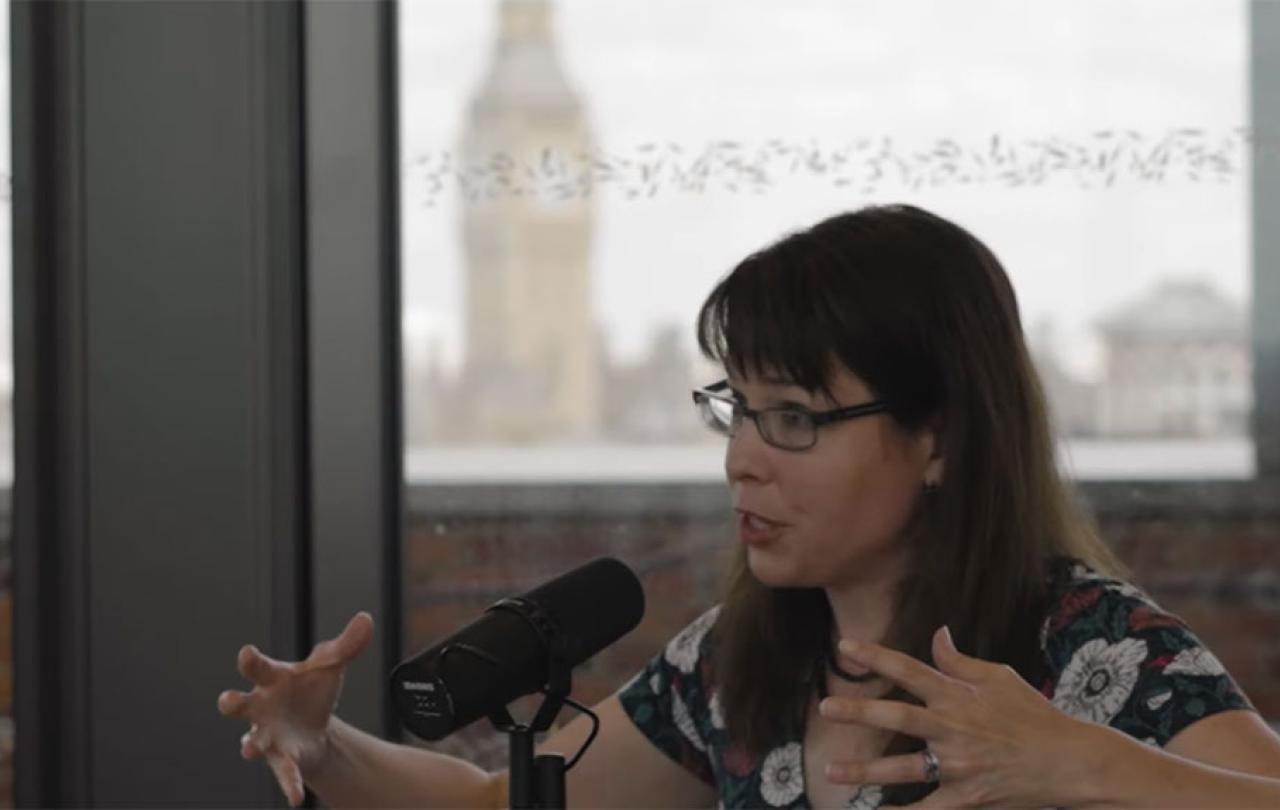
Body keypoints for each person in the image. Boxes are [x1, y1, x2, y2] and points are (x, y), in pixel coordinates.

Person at [219, 204, 1280, 808]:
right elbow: (500, 807)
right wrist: (326, 746)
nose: (740, 463)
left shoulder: (1091, 650)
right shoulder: (740, 662)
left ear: (938, 438)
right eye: (736, 410)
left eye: (795, 420)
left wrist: (1079, 763)